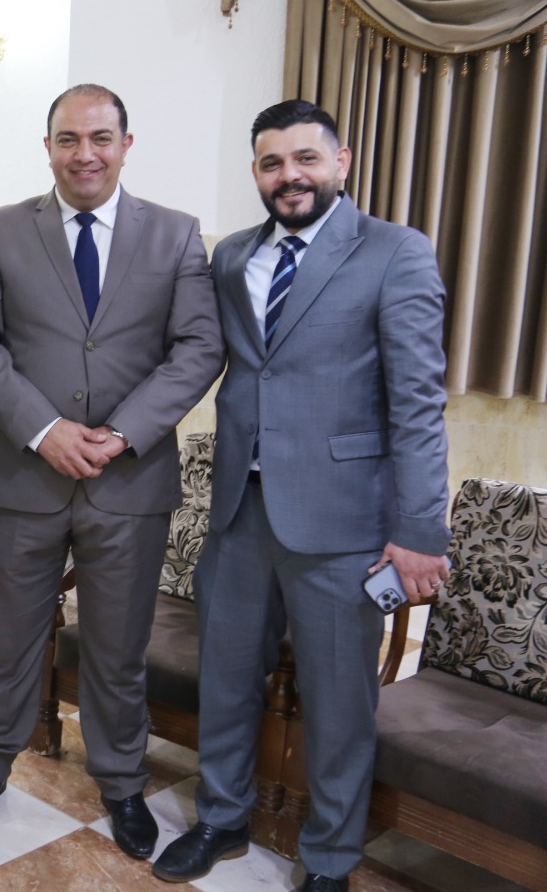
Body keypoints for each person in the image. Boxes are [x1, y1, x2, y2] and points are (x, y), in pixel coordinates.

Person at [152, 100, 451, 892]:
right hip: (237, 513)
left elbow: (418, 404)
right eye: (272, 163)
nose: (290, 176)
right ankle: (221, 819)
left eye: (306, 159)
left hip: (343, 522)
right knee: (225, 679)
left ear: (341, 162)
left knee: (338, 699)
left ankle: (329, 857)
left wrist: (421, 530)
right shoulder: (231, 257)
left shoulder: (395, 251)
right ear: (256, 172)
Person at [0, 84, 223, 855]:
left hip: (128, 482)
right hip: (22, 477)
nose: (85, 153)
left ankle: (122, 782)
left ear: (126, 145)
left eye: (101, 138)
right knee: (9, 642)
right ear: (48, 148)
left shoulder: (176, 235)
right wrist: (43, 429)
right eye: (68, 139)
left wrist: (123, 433)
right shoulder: (0, 230)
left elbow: (200, 346)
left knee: (117, 648)